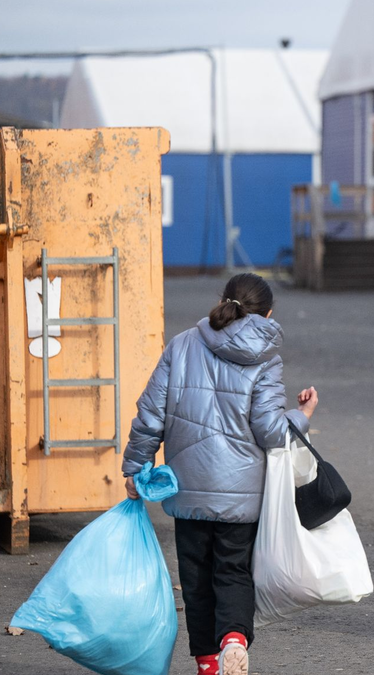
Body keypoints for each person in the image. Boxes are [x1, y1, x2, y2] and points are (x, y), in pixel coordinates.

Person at [121, 273, 317, 675]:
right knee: (233, 572)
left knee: (195, 583)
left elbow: (150, 415)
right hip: (242, 497)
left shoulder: (181, 345)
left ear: (223, 301)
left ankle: (208, 665)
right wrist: (303, 415)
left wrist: (136, 467)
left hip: (187, 491)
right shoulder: (265, 358)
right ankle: (233, 640)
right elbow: (270, 430)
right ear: (268, 313)